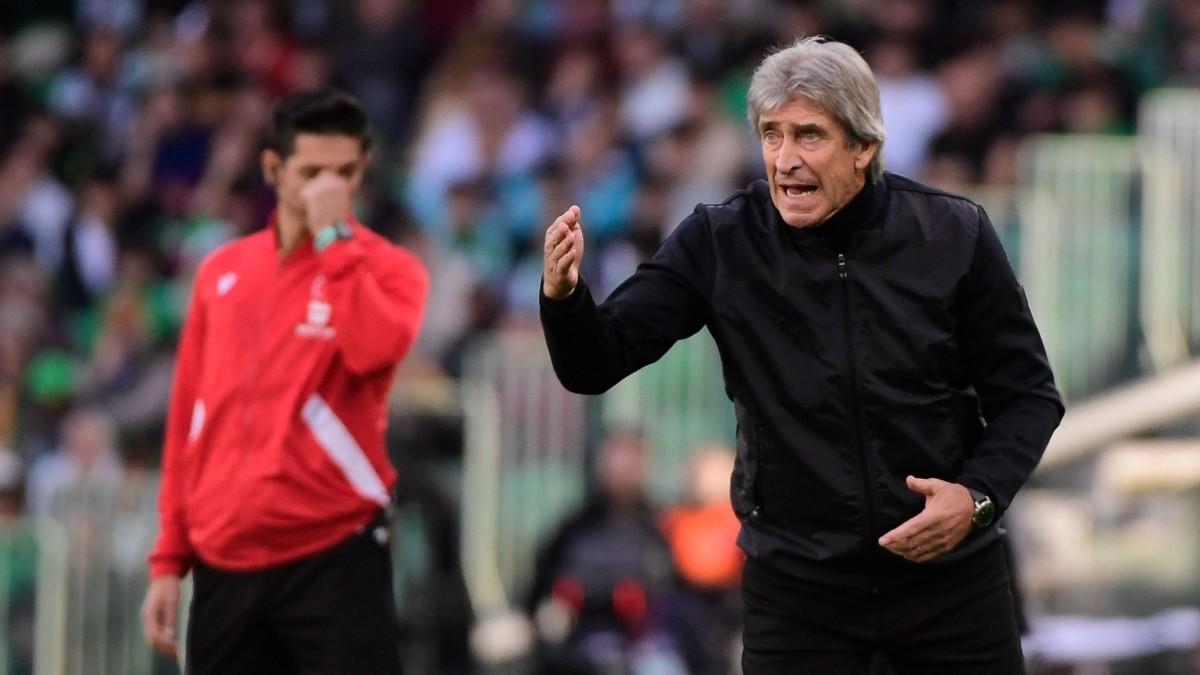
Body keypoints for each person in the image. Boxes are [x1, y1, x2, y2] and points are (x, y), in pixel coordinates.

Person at [539, 37, 1063, 674]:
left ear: (864, 147)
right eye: (771, 135)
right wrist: (564, 298)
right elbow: (595, 362)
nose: (784, 160)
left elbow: (1030, 397)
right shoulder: (718, 240)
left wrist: (977, 498)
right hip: (798, 592)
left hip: (949, 582)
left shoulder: (953, 233)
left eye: (809, 136)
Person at [140, 88, 429, 675]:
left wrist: (333, 242)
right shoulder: (221, 273)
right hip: (225, 558)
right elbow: (189, 421)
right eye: (312, 172)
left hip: (334, 552)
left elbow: (373, 350)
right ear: (273, 169)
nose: (330, 188)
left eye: (345, 173)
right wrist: (169, 559)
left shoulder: (390, 270)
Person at [525, 429, 683, 675]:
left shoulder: (661, 522)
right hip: (588, 634)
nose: (621, 469)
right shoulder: (575, 528)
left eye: (630, 460)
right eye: (614, 460)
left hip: (650, 640)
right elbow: (544, 587)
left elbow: (678, 586)